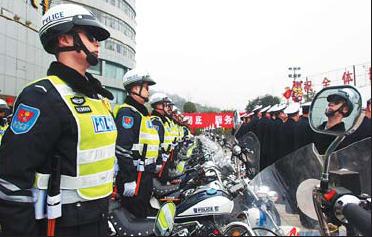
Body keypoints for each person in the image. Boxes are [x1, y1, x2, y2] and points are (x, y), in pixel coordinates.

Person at [0, 4, 116, 236]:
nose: (97, 43)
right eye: (90, 36)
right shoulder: (42, 97)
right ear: (64, 39)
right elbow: (12, 179)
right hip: (63, 225)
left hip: (99, 217)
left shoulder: (97, 99)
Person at [113, 68, 159, 218]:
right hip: (135, 175)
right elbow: (122, 149)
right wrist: (129, 179)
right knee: (135, 217)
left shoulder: (141, 114)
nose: (148, 91)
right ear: (134, 88)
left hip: (145, 174)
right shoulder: (127, 113)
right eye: (145, 87)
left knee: (143, 213)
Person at [149, 93, 173, 184]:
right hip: (158, 160)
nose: (168, 108)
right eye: (165, 105)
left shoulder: (162, 121)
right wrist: (159, 159)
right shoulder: (155, 121)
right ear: (158, 105)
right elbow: (156, 143)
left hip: (164, 158)